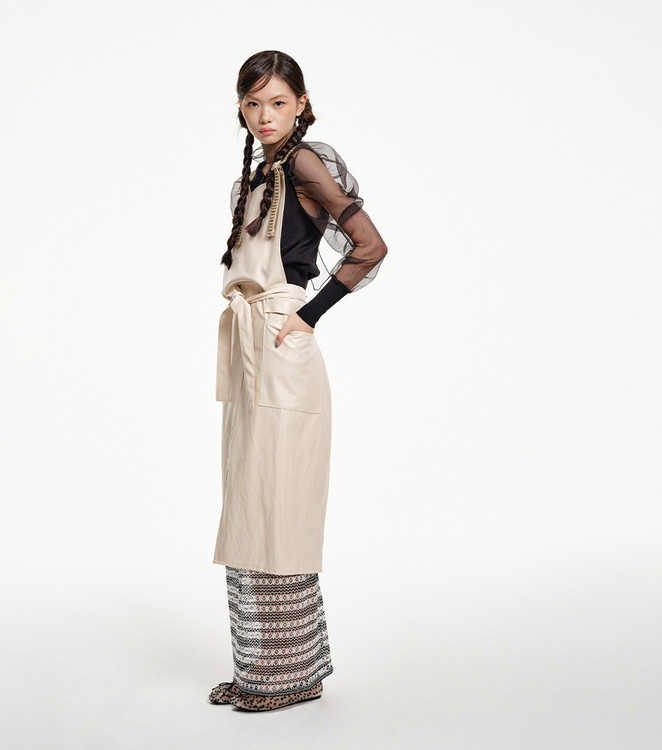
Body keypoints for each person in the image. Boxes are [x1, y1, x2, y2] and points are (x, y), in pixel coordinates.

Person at [211, 50, 388, 712]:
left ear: (302, 104)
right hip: (247, 347)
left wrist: (308, 316)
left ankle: (287, 678)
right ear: (241, 107)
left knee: (280, 505)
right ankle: (259, 669)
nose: (265, 115)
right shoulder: (256, 176)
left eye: (279, 102)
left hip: (282, 348)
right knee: (249, 504)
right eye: (253, 103)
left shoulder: (308, 163)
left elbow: (370, 245)